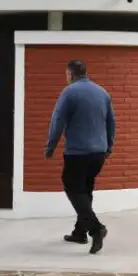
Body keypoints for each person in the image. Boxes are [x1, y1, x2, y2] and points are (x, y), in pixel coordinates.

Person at [44, 60, 115, 254]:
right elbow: (111, 122)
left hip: (78, 152)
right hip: (98, 153)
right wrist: (109, 146)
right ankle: (79, 232)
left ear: (70, 74)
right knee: (85, 190)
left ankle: (96, 229)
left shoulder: (69, 92)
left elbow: (57, 120)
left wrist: (50, 146)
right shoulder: (102, 92)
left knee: (72, 187)